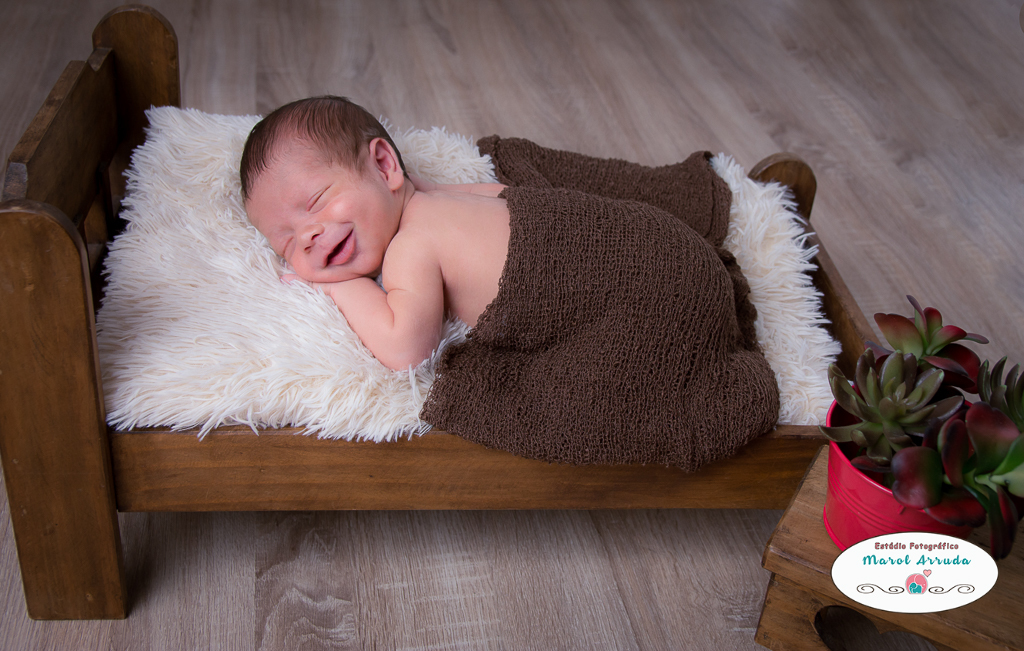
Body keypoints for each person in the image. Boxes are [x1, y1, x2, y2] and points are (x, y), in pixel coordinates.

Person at [240, 96, 511, 371]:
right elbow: (509, 197)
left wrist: (339, 287)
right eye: (287, 243)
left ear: (384, 165)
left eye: (316, 201)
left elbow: (407, 351)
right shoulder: (441, 199)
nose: (306, 236)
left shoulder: (409, 247)